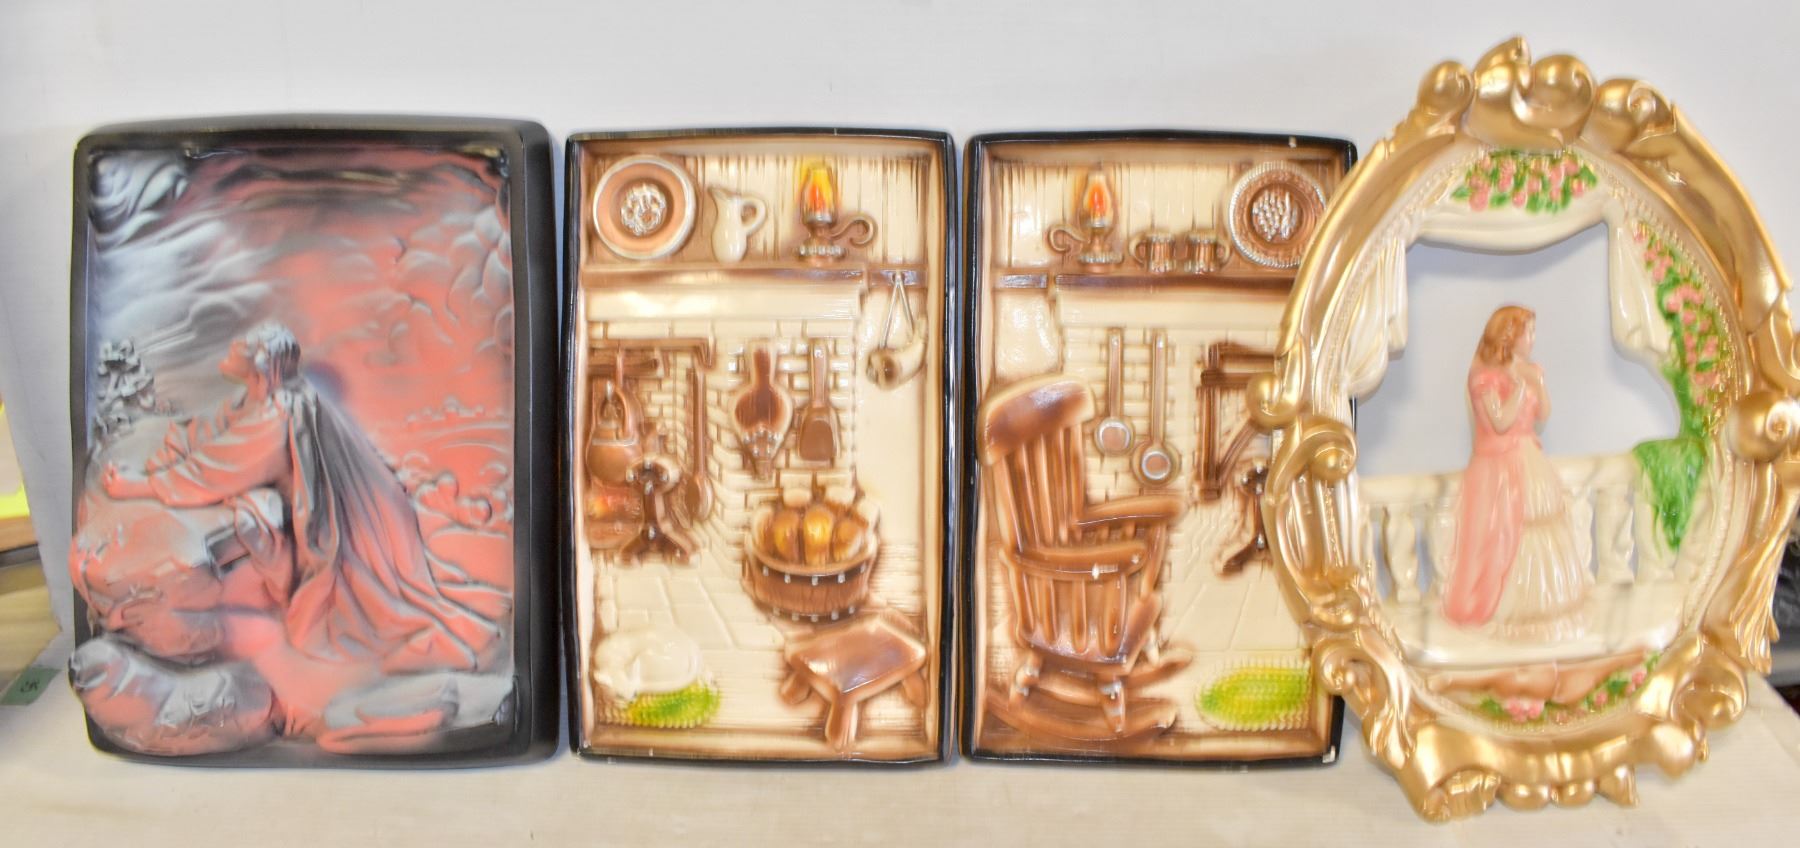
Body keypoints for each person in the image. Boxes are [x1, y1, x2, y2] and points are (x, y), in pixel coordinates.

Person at [102, 322, 503, 674]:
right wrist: (169, 452)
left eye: (242, 349)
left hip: (342, 530)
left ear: (261, 365)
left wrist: (141, 486)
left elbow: (218, 469)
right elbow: (218, 428)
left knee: (314, 626)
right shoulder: (268, 397)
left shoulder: (280, 413)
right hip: (356, 516)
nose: (232, 351)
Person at [1441, 306, 1590, 639]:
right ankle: (1502, 605)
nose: (1533, 339)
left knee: (1540, 525)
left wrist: (1538, 383)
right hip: (1499, 467)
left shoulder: (1529, 370)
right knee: (1504, 534)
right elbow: (1500, 422)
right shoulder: (1484, 376)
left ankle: (1544, 603)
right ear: (1509, 336)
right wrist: (1521, 388)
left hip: (1528, 458)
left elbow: (1544, 413)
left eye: (1534, 332)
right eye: (1528, 332)